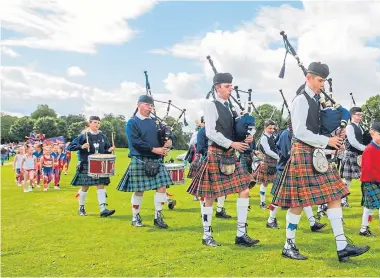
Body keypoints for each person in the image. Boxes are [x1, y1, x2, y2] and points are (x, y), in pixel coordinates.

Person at [272, 62, 369, 261]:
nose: (322, 85)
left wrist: (331, 143)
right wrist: (328, 141)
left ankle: (342, 246)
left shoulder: (315, 100)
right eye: (319, 80)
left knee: (335, 195)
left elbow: (315, 131)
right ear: (308, 77)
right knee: (298, 203)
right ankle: (288, 245)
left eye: (324, 81)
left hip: (315, 153)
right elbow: (299, 132)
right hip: (302, 154)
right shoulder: (301, 100)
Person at [187, 72, 258, 247]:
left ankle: (241, 234)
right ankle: (207, 235)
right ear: (217, 88)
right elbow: (210, 132)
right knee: (209, 196)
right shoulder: (211, 106)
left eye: (231, 86)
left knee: (245, 190)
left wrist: (245, 138)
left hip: (229, 154)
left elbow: (234, 131)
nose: (230, 89)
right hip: (216, 153)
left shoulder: (230, 108)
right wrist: (232, 143)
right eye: (227, 86)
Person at [116, 96, 175, 228]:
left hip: (156, 159)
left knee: (162, 187)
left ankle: (158, 217)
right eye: (147, 105)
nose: (150, 107)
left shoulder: (156, 122)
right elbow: (135, 142)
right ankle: (135, 216)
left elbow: (167, 134)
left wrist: (169, 141)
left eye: (151, 105)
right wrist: (155, 150)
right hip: (140, 158)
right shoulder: (132, 122)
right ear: (138, 105)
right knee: (139, 190)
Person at [266, 121, 327, 232]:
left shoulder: (298, 134)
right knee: (278, 198)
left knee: (304, 196)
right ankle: (270, 220)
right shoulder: (286, 134)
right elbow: (286, 153)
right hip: (285, 168)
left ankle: (313, 223)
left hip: (296, 168)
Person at [68, 116, 116, 217]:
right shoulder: (84, 136)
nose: (97, 125)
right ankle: (81, 208)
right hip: (86, 163)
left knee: (101, 185)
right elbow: (70, 146)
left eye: (98, 123)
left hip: (100, 164)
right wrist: (81, 146)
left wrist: (110, 149)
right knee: (85, 187)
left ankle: (103, 209)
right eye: (94, 122)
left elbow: (106, 150)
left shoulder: (103, 136)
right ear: (89, 124)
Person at [339, 107, 367, 208]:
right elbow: (353, 142)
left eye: (361, 115)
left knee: (365, 177)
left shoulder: (361, 127)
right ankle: (343, 200)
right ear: (352, 115)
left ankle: (366, 199)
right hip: (351, 154)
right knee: (347, 180)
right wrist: (366, 148)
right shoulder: (349, 127)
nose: (360, 117)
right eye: (358, 115)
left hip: (360, 155)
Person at [252, 120, 279, 209]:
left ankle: (275, 203)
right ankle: (262, 202)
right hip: (267, 162)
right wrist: (278, 157)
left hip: (275, 163)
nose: (271, 130)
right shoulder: (264, 138)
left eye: (273, 128)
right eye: (269, 128)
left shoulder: (273, 136)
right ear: (265, 127)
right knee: (265, 183)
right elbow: (267, 151)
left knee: (277, 183)